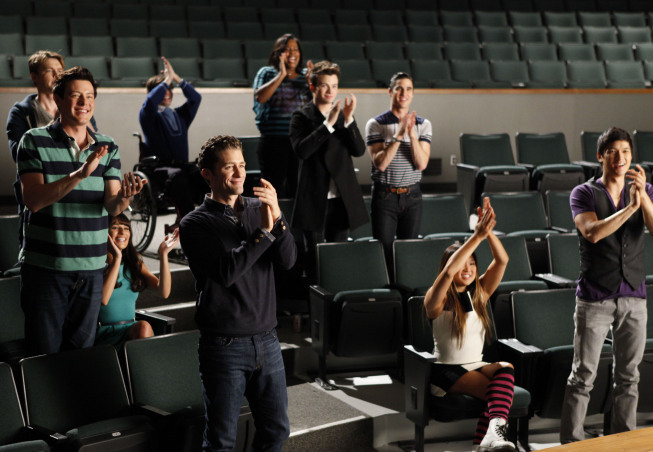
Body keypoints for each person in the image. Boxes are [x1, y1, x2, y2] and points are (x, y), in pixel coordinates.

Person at [16, 67, 145, 355]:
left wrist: (125, 198)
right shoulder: (34, 141)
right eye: (75, 96)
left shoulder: (108, 146)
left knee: (82, 357)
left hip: (91, 269)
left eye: (89, 96)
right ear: (58, 100)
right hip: (47, 270)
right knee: (44, 357)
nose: (84, 102)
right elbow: (34, 200)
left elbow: (112, 205)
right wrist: (79, 175)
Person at [179, 135, 296, 451]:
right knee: (221, 441)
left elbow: (287, 260)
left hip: (268, 340)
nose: (239, 173)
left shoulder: (261, 210)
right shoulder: (194, 223)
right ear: (208, 174)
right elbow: (227, 272)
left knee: (276, 431)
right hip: (225, 345)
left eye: (242, 166)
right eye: (229, 167)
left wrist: (279, 219)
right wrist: (263, 233)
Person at [560, 127, 653, 443]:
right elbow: (593, 233)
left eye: (626, 152)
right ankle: (571, 444)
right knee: (583, 376)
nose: (621, 158)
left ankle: (622, 442)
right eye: (613, 151)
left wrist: (643, 200)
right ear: (601, 156)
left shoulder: (645, 190)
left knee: (629, 378)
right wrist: (629, 209)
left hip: (634, 296)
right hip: (595, 297)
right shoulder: (584, 193)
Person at [424, 197, 516, 452]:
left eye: (472, 263)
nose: (468, 268)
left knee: (506, 368)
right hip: (446, 370)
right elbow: (449, 272)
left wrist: (488, 233)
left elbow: (502, 261)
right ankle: (486, 442)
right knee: (497, 396)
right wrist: (476, 236)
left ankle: (487, 441)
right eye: (463, 264)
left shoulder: (480, 293)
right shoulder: (437, 297)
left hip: (476, 364)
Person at [6, 51, 98, 253]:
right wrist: (56, 123)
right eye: (49, 71)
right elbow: (19, 154)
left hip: (78, 188)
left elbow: (93, 143)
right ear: (35, 77)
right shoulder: (22, 112)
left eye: (59, 70)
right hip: (41, 190)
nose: (56, 75)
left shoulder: (74, 106)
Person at [289, 60, 368, 278]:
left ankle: (335, 307)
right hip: (313, 200)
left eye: (334, 86)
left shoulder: (344, 117)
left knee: (338, 259)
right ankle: (314, 308)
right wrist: (328, 125)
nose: (330, 91)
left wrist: (349, 118)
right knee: (314, 260)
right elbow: (302, 151)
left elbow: (359, 150)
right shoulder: (301, 117)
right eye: (325, 85)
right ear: (313, 87)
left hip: (340, 200)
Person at [365, 72, 432, 279]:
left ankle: (405, 298)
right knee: (383, 252)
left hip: (412, 196)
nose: (404, 93)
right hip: (385, 196)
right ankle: (387, 297)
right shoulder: (375, 124)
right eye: (399, 88)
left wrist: (411, 134)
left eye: (409, 89)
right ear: (390, 92)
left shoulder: (423, 124)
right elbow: (381, 163)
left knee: (407, 253)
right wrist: (398, 135)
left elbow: (421, 163)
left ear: (413, 94)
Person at [96, 213, 179, 349]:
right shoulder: (96, 264)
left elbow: (163, 292)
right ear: (105, 233)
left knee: (144, 326)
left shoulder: (134, 263)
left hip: (132, 331)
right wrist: (117, 259)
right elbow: (104, 299)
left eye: (126, 228)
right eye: (116, 227)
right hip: (104, 334)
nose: (122, 232)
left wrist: (163, 255)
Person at [139, 56, 205, 221]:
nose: (167, 93)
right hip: (159, 169)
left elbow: (196, 98)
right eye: (164, 89)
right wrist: (166, 80)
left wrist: (176, 79)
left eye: (170, 89)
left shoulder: (179, 115)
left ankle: (207, 219)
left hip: (181, 166)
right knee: (179, 179)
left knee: (204, 176)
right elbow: (150, 102)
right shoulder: (148, 116)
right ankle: (188, 222)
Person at [253, 33, 312, 198]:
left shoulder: (306, 75)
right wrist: (281, 75)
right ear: (278, 53)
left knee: (299, 191)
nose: (292, 53)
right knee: (272, 192)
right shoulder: (266, 72)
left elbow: (318, 107)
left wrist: (312, 84)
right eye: (287, 49)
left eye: (295, 49)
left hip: (299, 143)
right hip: (273, 143)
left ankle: (295, 225)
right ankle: (270, 224)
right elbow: (261, 97)